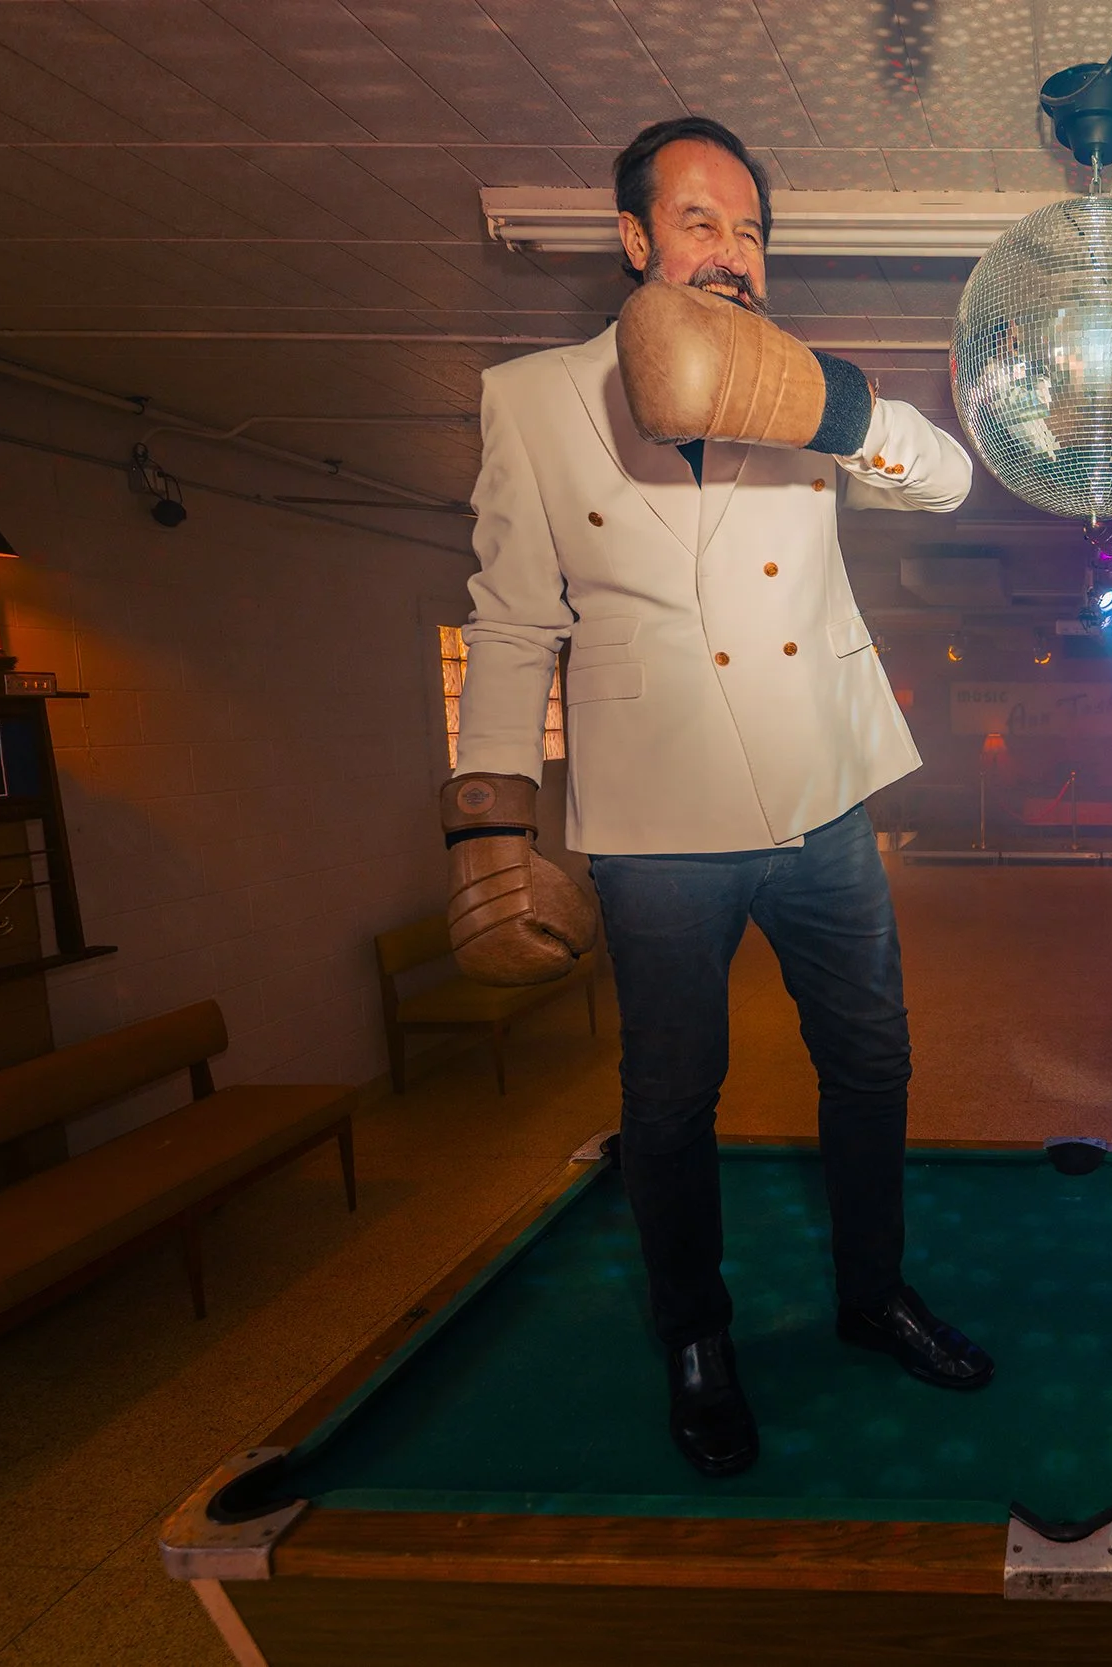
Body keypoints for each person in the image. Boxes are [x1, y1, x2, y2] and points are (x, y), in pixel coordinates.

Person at [442, 115, 993, 1481]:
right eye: (701, 221)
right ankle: (697, 1339)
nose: (733, 252)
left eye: (750, 229)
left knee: (872, 1059)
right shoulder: (531, 399)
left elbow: (948, 479)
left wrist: (841, 406)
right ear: (635, 239)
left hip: (822, 793)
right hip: (652, 821)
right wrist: (487, 816)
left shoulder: (803, 385)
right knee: (673, 1098)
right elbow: (510, 620)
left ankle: (873, 1295)